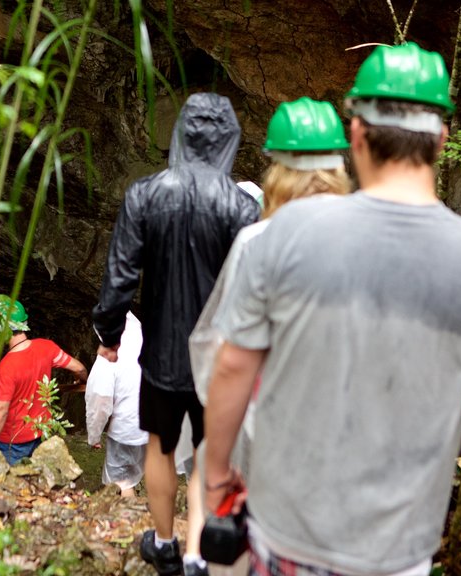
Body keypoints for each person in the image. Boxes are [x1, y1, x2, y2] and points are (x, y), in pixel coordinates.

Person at [204, 43, 461, 576]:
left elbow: (232, 367)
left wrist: (217, 475)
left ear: (355, 135)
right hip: (395, 556)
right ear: (442, 140)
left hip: (285, 536)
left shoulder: (283, 233)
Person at [93, 92, 261, 576]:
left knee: (160, 446)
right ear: (228, 140)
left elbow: (120, 277)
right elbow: (253, 289)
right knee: (210, 451)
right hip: (221, 358)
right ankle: (195, 554)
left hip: (162, 355)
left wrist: (109, 333)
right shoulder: (241, 206)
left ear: (180, 135)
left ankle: (163, 542)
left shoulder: (145, 195)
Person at [191, 97, 351, 483]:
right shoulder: (372, 235)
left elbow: (224, 358)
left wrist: (215, 467)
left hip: (273, 433)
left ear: (277, 168)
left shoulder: (257, 241)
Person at [0, 297, 88, 465]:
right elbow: (80, 369)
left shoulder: (6, 366)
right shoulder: (46, 347)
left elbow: (1, 410)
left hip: (12, 440)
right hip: (40, 432)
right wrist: (82, 380)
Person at [86, 311, 148, 497]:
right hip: (157, 420)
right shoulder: (149, 338)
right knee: (156, 470)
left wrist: (94, 435)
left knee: (122, 480)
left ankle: (131, 522)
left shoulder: (109, 356)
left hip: (128, 427)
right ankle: (161, 518)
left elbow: (99, 400)